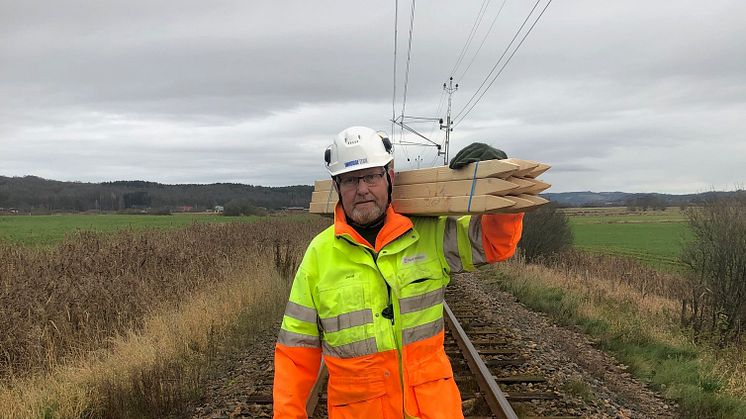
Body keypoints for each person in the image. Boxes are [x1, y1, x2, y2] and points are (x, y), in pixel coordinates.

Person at [273, 126, 524, 419]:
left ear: (389, 177)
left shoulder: (428, 234)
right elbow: (295, 353)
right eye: (351, 180)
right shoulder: (319, 256)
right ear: (337, 186)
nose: (362, 188)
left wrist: (499, 180)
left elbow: (494, 244)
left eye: (371, 176)